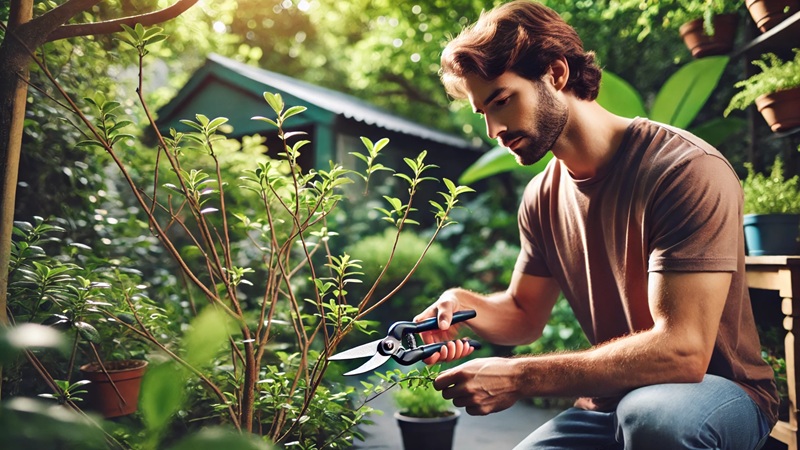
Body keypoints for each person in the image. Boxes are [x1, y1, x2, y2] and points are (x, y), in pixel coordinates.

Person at [413, 1, 780, 449]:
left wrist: (520, 376)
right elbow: (525, 315)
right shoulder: (541, 197)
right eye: (482, 113)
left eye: (502, 100)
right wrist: (461, 307)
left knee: (654, 419)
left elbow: (684, 351)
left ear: (556, 74)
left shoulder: (683, 169)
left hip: (715, 395)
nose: (493, 129)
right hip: (607, 406)